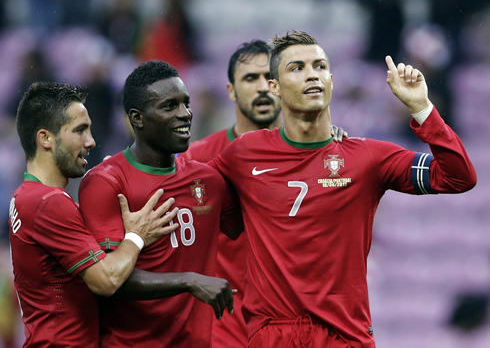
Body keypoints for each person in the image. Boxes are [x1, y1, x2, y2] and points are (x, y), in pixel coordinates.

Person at [210, 30, 477, 347]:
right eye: (297, 68)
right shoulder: (244, 154)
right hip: (274, 335)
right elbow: (198, 200)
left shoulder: (367, 157)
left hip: (344, 336)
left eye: (320, 66)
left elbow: (458, 176)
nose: (312, 75)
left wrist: (421, 107)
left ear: (332, 80)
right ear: (274, 88)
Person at [180, 39, 347, 348]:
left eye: (265, 78)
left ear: (279, 86)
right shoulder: (198, 158)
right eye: (248, 78)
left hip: (292, 326)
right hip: (222, 326)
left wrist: (325, 138)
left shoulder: (321, 154)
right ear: (230, 90)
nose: (260, 88)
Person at [78, 60, 242, 347]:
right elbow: (107, 280)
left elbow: (259, 228)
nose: (185, 114)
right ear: (137, 118)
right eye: (170, 107)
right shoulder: (106, 183)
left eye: (186, 103)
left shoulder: (209, 181)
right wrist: (189, 280)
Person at [9, 82, 179, 347]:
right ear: (45, 138)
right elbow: (107, 280)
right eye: (79, 130)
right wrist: (136, 236)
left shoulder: (25, 196)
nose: (91, 141)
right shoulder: (48, 202)